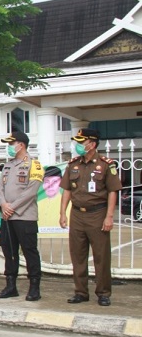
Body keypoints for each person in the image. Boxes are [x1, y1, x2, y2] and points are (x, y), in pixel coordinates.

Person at [59, 128, 121, 307]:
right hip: (77, 214)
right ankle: (80, 292)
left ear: (92, 144)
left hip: (97, 213)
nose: (78, 145)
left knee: (101, 256)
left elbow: (112, 192)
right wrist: (63, 212)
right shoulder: (73, 164)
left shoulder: (105, 164)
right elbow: (67, 190)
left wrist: (109, 216)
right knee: (78, 255)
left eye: (81, 142)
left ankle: (103, 293)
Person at [0, 132, 45, 301]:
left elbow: (31, 192)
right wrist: (3, 205)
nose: (9, 147)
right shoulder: (8, 166)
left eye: (11, 144)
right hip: (7, 217)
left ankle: (34, 287)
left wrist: (12, 207)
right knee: (9, 251)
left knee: (29, 252)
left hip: (25, 216)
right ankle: (11, 286)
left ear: (21, 145)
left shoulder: (34, 165)